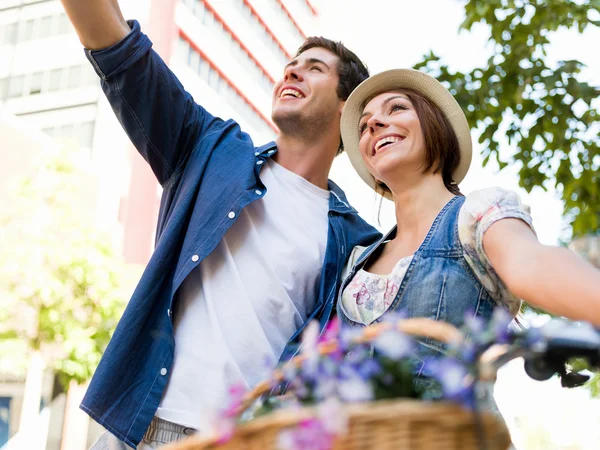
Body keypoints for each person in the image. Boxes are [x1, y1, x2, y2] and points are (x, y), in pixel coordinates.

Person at [59, 1, 381, 448]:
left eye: (313, 69)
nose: (291, 73)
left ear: (348, 108)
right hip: (139, 428)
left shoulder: (359, 243)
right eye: (289, 66)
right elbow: (120, 51)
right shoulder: (210, 151)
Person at [337, 68, 600, 346]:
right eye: (364, 126)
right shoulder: (355, 261)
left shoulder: (479, 214)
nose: (374, 123)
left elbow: (530, 263)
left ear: (435, 127)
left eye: (397, 108)